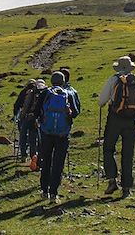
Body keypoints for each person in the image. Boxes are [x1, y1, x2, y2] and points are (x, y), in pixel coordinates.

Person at [98, 55, 135, 199]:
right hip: (132, 121)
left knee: (108, 148)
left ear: (118, 67)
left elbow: (101, 101)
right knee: (128, 154)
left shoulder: (113, 80)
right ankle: (126, 188)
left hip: (115, 118)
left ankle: (112, 180)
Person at [35, 71, 79, 204]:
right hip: (62, 134)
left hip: (46, 132)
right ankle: (54, 192)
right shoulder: (69, 93)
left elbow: (37, 111)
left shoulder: (45, 93)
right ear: (64, 81)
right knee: (58, 163)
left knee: (46, 160)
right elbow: (76, 113)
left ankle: (44, 190)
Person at [13, 79, 37, 161]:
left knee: (23, 135)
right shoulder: (38, 92)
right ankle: (33, 155)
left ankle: (23, 154)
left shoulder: (24, 92)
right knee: (33, 137)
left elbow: (17, 104)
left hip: (24, 117)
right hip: (35, 118)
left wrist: (16, 114)